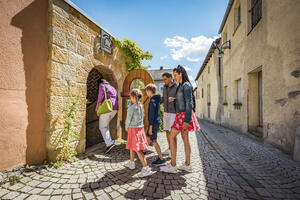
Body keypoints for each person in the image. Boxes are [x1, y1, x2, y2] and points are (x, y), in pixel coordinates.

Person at [160, 65, 200, 173]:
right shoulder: (181, 86)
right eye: (173, 75)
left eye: (176, 75)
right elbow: (183, 100)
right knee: (185, 140)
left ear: (181, 74)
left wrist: (187, 120)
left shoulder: (186, 85)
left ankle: (173, 165)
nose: (174, 77)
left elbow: (189, 103)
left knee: (172, 136)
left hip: (183, 116)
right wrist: (175, 99)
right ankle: (187, 165)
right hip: (181, 114)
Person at [124, 89, 153, 177]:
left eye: (130, 96)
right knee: (133, 146)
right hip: (140, 129)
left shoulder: (131, 108)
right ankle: (132, 162)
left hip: (133, 129)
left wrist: (126, 127)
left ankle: (146, 168)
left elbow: (128, 120)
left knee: (138, 149)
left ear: (133, 97)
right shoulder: (140, 105)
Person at [145, 84, 166, 166]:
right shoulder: (157, 99)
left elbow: (151, 115)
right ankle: (143, 152)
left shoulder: (152, 101)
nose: (146, 93)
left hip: (153, 123)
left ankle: (161, 159)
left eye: (146, 91)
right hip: (156, 122)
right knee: (147, 137)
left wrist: (150, 127)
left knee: (153, 141)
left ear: (149, 91)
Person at [96, 78, 118, 153]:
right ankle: (110, 142)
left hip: (107, 108)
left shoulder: (102, 86)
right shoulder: (113, 88)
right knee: (106, 126)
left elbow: (100, 98)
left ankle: (109, 144)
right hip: (114, 109)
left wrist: (97, 109)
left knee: (102, 127)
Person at [161, 72, 178, 157]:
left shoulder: (177, 87)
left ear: (170, 78)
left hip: (173, 113)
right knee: (167, 131)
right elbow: (163, 98)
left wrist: (174, 99)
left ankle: (174, 150)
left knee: (173, 133)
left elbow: (180, 99)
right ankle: (170, 148)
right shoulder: (164, 87)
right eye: (163, 79)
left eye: (165, 79)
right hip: (166, 112)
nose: (164, 81)